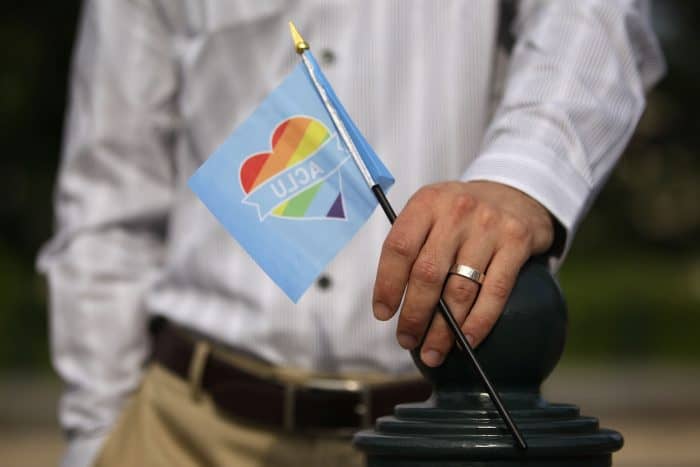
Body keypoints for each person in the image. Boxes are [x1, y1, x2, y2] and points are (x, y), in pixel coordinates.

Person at [38, 1, 665, 466]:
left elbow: (591, 17)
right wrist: (99, 439)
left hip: (444, 434)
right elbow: (109, 194)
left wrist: (523, 177)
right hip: (184, 433)